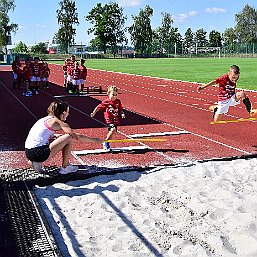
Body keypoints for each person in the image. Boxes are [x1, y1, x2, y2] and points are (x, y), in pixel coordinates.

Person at [25, 100, 102, 174]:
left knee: (63, 138)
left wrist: (55, 136)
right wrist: (95, 140)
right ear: (63, 113)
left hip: (28, 153)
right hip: (39, 153)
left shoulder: (44, 119)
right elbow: (76, 136)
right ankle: (65, 168)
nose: (68, 114)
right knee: (69, 137)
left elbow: (40, 135)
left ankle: (34, 161)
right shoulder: (59, 122)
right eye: (68, 112)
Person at [90, 86, 125, 151]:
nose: (114, 96)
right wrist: (93, 113)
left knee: (112, 132)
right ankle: (106, 143)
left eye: (115, 95)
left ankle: (107, 142)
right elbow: (98, 107)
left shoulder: (118, 101)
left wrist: (122, 113)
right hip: (109, 119)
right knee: (113, 129)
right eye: (112, 95)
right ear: (108, 94)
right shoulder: (106, 102)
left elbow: (120, 109)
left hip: (115, 119)